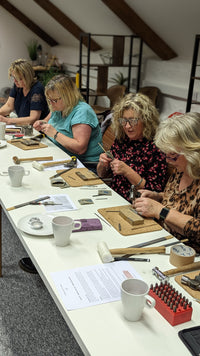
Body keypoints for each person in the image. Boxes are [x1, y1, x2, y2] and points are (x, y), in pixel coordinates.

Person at [134, 112, 200, 253]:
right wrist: (157, 196)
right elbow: (181, 200)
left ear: (193, 151)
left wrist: (160, 211)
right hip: (163, 239)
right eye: (167, 154)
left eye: (173, 156)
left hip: (186, 256)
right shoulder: (182, 168)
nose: (168, 161)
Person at [97, 93, 167, 202]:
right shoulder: (122, 139)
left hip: (135, 205)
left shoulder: (156, 148)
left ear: (146, 120)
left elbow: (153, 193)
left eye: (133, 121)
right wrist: (102, 164)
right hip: (113, 197)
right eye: (124, 120)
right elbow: (102, 174)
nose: (127, 126)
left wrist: (128, 172)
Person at [33, 74, 103, 163]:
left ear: (68, 97)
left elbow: (80, 148)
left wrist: (55, 134)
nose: (51, 103)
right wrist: (41, 123)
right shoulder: (58, 106)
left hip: (84, 163)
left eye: (54, 100)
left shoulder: (82, 112)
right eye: (49, 99)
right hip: (60, 154)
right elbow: (47, 121)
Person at [0, 58, 49, 125]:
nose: (15, 81)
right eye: (14, 78)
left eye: (19, 79)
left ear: (28, 77)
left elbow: (33, 118)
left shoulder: (37, 89)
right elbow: (9, 106)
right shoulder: (18, 86)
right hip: (23, 126)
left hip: (36, 129)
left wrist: (8, 120)